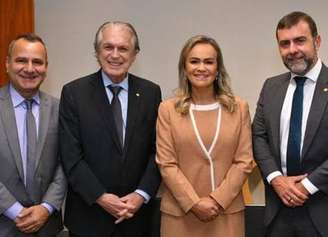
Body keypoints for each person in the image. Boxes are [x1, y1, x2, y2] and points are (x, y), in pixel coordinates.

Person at [59, 21, 162, 237]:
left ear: (135, 55)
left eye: (123, 48)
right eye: (108, 47)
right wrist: (101, 197)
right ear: (97, 52)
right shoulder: (74, 93)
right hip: (89, 218)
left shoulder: (151, 93)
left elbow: (158, 151)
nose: (115, 55)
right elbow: (71, 156)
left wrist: (140, 195)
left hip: (136, 218)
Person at [156, 35, 254, 237]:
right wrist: (194, 203)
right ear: (184, 67)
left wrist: (217, 200)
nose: (201, 68)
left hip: (225, 213)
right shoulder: (168, 110)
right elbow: (166, 164)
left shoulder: (239, 108)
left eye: (209, 62)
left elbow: (244, 161)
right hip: (180, 215)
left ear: (218, 69)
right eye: (194, 61)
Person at [253, 11, 328, 237]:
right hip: (278, 212)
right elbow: (258, 136)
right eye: (284, 43)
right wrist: (276, 179)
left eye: (300, 40)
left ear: (317, 41)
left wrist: (307, 186)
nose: (292, 49)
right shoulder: (271, 86)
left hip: (322, 210)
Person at [0, 33, 66, 236]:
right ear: (7, 64)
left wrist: (46, 207)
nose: (29, 69)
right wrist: (15, 211)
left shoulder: (61, 108)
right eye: (21, 60)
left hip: (47, 226)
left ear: (46, 67)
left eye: (37, 62)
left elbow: (67, 163)